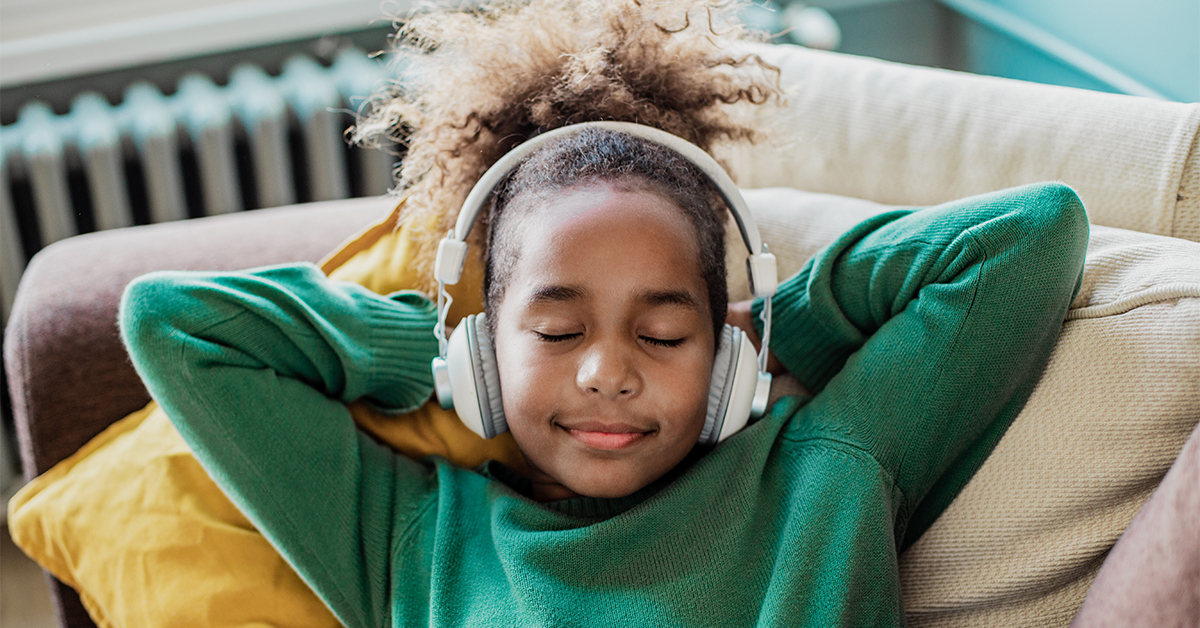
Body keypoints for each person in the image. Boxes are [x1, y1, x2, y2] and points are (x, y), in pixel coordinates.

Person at [118, 1, 1089, 625]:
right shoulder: (414, 539)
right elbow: (174, 323)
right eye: (555, 328)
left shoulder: (825, 465)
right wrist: (447, 359)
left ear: (724, 350)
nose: (606, 371)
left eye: (664, 333)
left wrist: (769, 334)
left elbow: (1032, 235)